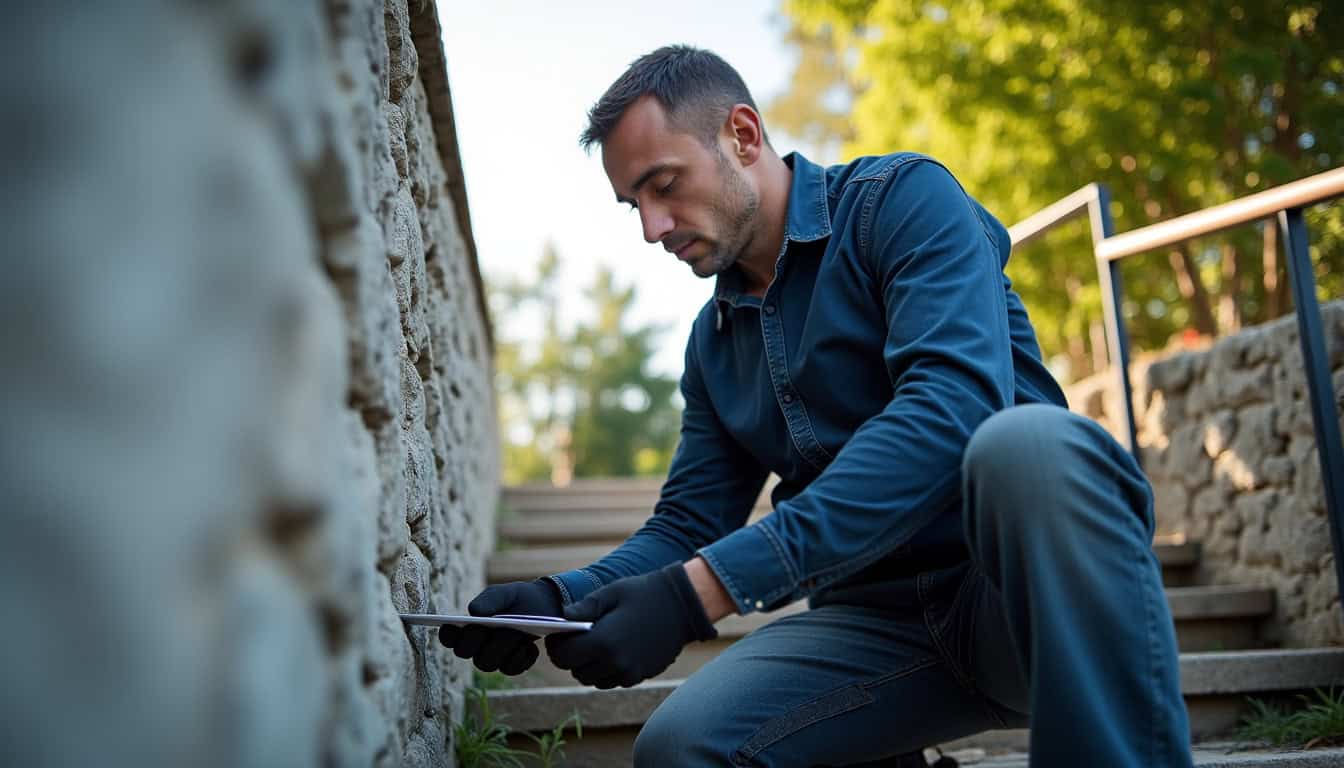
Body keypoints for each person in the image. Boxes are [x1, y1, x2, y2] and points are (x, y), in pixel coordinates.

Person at [440, 45, 1193, 767]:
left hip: (1022, 604)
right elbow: (690, 521)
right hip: (873, 634)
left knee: (1029, 447)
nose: (651, 228)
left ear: (742, 134)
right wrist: (559, 597)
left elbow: (950, 412)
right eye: (632, 203)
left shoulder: (903, 202)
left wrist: (699, 593)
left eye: (664, 185)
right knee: (681, 747)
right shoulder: (713, 342)